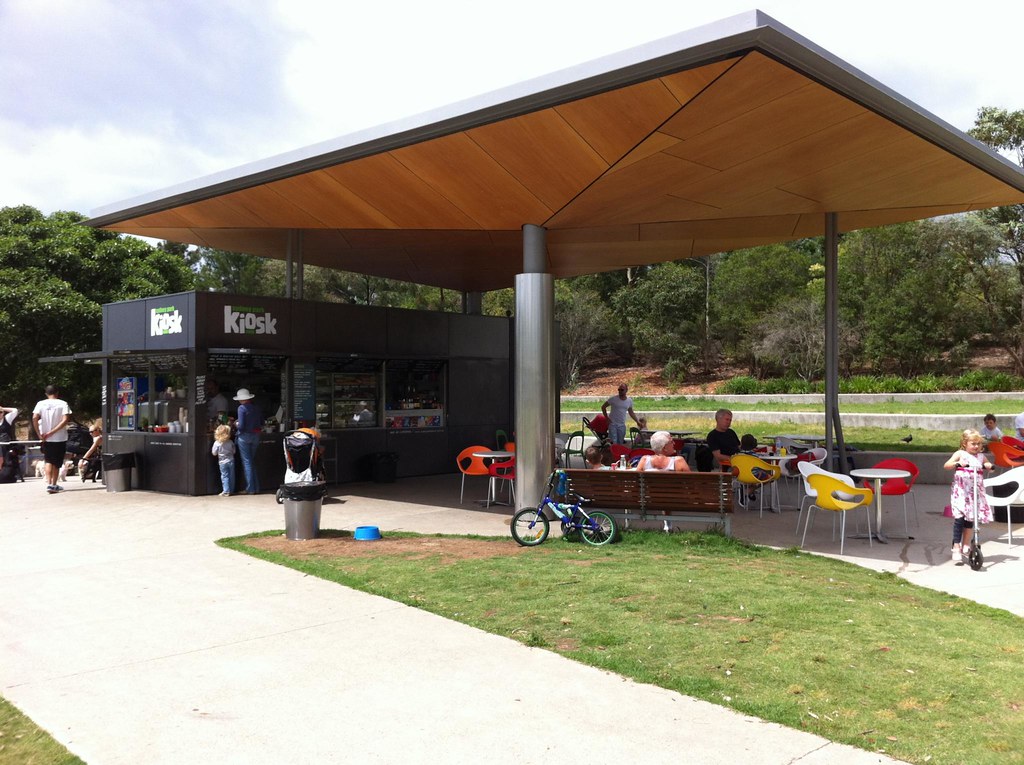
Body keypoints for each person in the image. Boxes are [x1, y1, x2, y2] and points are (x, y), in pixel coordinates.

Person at [943, 429, 994, 564]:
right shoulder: (960, 454)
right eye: (973, 443)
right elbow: (947, 465)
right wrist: (957, 463)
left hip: (974, 493)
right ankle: (956, 546)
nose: (976, 446)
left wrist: (988, 466)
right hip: (961, 491)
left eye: (978, 444)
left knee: (970, 519)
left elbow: (988, 465)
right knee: (959, 518)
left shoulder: (981, 456)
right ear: (965, 443)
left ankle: (966, 544)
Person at [32, 385, 72, 495]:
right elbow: (65, 420)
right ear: (57, 393)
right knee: (57, 462)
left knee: (48, 460)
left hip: (45, 438)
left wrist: (39, 434)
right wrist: (52, 432)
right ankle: (54, 484)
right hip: (59, 437)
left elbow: (34, 417)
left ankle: (48, 483)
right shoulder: (63, 403)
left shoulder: (40, 403)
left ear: (46, 394)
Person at [233, 388, 262, 494]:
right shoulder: (256, 408)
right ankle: (256, 487)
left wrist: (236, 424)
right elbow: (262, 422)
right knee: (251, 461)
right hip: (256, 436)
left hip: (244, 436)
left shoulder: (241, 408)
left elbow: (241, 426)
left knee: (247, 462)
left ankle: (250, 489)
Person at [211, 424, 236, 496]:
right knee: (232, 476)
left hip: (222, 462)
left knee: (225, 476)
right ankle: (231, 490)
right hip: (231, 460)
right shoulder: (230, 442)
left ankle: (226, 491)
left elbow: (214, 453)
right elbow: (234, 451)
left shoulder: (217, 443)